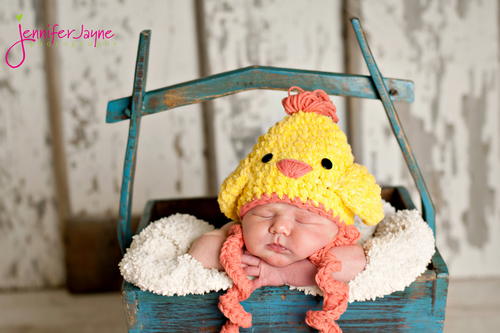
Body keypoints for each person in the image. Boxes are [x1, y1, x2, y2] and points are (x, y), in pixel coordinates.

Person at [189, 87, 384, 333]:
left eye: (303, 220)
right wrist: (231, 256)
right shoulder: (239, 237)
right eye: (265, 214)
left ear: (336, 229)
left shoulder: (334, 245)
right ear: (243, 216)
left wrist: (285, 274)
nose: (279, 227)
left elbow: (356, 263)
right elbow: (200, 253)